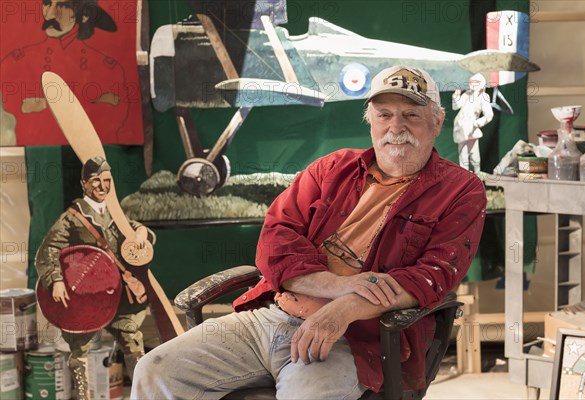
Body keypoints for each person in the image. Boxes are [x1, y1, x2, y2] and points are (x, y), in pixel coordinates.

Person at [131, 66, 487, 399]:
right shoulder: (332, 168)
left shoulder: (460, 190)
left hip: (359, 338)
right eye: (384, 115)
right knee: (155, 371)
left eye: (411, 115)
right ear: (371, 122)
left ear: (437, 121)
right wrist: (338, 285)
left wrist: (345, 307)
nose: (397, 127)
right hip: (272, 314)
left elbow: (432, 276)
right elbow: (276, 240)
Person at [35, 156, 154, 399]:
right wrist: (56, 280)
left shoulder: (114, 213)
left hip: (116, 294)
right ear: (84, 184)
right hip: (84, 300)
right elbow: (47, 250)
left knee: (133, 341)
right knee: (80, 352)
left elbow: (135, 232)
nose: (102, 186)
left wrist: (142, 232)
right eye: (95, 181)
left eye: (107, 180)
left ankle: (144, 394)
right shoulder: (72, 217)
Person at [0, 0, 131, 145]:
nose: (50, 15)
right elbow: (15, 111)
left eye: (63, 6)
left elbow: (111, 120)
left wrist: (43, 106)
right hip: (38, 157)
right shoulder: (16, 63)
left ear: (84, 15)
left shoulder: (107, 68)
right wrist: (86, 104)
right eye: (47, 3)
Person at [452, 73, 494, 174]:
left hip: (472, 128)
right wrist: (456, 96)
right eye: (471, 82)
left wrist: (477, 123)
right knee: (462, 154)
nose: (472, 84)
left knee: (474, 154)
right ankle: (464, 175)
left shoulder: (483, 96)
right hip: (461, 127)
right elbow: (455, 106)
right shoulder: (466, 94)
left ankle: (477, 173)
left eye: (475, 82)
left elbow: (489, 115)